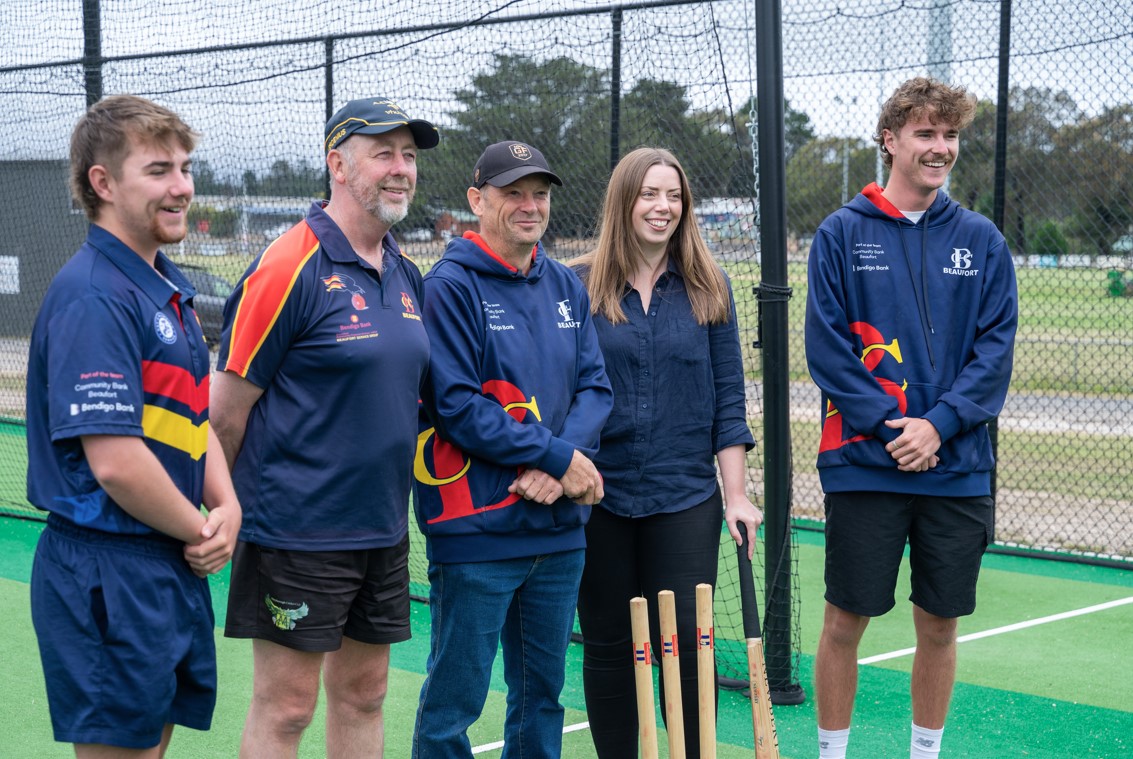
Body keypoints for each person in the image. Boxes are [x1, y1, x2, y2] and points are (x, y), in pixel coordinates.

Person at [209, 97, 438, 758]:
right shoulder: (288, 262)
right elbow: (224, 413)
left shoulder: (403, 270)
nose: (400, 169)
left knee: (365, 692)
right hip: (296, 530)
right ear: (338, 164)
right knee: (286, 707)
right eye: (383, 153)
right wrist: (221, 513)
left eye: (409, 155)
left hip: (383, 527)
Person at [805, 77, 1018, 759]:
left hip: (955, 465)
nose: (940, 148)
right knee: (844, 619)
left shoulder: (981, 241)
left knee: (939, 624)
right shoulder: (840, 234)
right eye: (925, 134)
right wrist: (895, 427)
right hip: (866, 462)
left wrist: (939, 425)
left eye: (949, 135)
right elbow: (827, 349)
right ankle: (832, 753)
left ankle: (922, 752)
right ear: (889, 140)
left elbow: (994, 352)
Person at [25, 94, 241, 756]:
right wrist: (202, 526)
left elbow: (188, 414)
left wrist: (226, 502)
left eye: (184, 167)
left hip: (163, 562)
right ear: (103, 182)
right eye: (158, 170)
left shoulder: (161, 286)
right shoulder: (95, 294)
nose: (181, 187)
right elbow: (115, 461)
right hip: (106, 567)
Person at [411, 140, 613, 758]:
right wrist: (557, 458)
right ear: (478, 200)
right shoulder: (448, 286)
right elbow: (456, 405)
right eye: (513, 194)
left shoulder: (563, 283)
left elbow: (595, 388)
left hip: (556, 528)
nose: (530, 206)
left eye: (540, 194)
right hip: (477, 529)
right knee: (455, 703)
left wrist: (563, 466)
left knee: (542, 697)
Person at [569, 147, 762, 758]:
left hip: (684, 497)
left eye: (674, 195)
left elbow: (728, 400)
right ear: (623, 202)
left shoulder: (711, 287)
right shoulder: (576, 285)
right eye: (649, 194)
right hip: (600, 496)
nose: (663, 207)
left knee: (683, 642)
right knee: (608, 645)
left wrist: (737, 494)